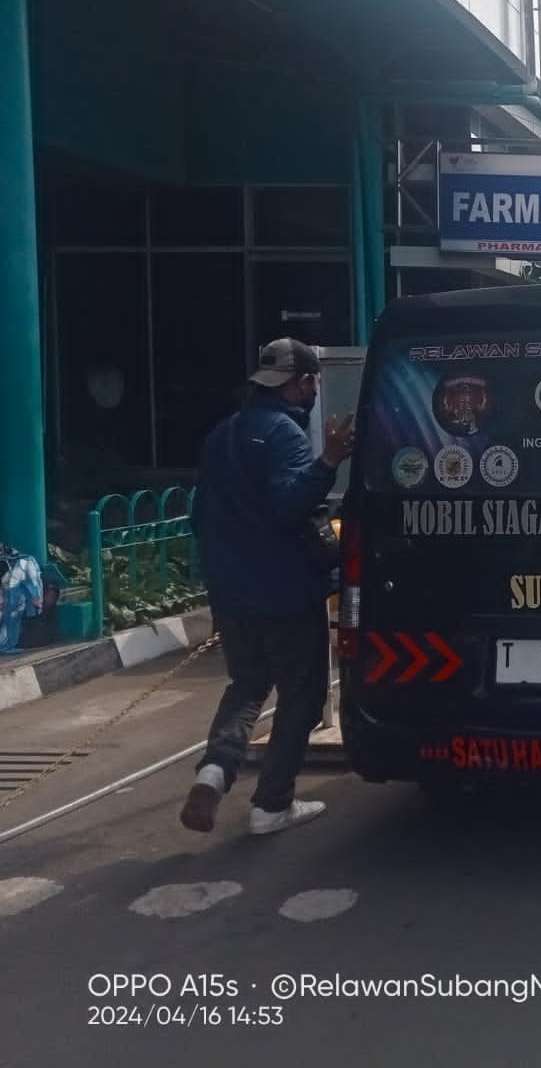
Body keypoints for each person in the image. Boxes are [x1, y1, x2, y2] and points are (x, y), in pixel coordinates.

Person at [179, 338, 356, 837]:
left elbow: (199, 517)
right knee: (303, 694)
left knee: (248, 684)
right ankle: (271, 806)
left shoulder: (222, 435)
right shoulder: (284, 435)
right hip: (286, 592)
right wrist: (329, 461)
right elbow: (287, 506)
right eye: (313, 382)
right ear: (302, 383)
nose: (314, 390)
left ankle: (215, 771)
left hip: (232, 593)